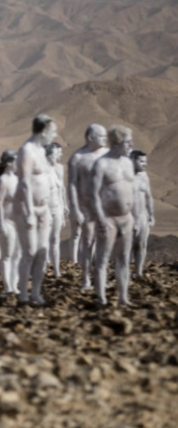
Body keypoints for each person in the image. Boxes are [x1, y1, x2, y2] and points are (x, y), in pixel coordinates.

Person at [14, 114, 58, 304]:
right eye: (53, 131)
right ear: (44, 130)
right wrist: (30, 211)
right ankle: (23, 292)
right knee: (29, 252)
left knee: (42, 252)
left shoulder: (41, 151)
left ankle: (36, 293)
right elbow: (24, 182)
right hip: (28, 209)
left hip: (44, 209)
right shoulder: (27, 151)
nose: (54, 135)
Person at [91, 126, 137, 305]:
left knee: (124, 258)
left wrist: (135, 215)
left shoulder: (127, 163)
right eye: (127, 142)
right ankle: (101, 298)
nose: (131, 145)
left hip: (126, 218)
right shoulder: (101, 164)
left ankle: (123, 297)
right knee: (103, 258)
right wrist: (101, 219)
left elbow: (131, 190)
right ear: (117, 143)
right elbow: (94, 194)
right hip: (108, 218)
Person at [69, 124, 108, 290]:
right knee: (88, 241)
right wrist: (75, 208)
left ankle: (101, 277)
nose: (105, 139)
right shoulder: (77, 158)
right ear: (91, 137)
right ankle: (85, 278)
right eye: (101, 136)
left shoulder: (108, 154)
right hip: (87, 207)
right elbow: (71, 184)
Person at [0, 150, 21, 294]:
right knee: (7, 255)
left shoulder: (17, 180)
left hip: (18, 223)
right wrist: (0, 224)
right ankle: (7, 286)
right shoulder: (2, 181)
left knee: (18, 255)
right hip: (7, 222)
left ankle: (14, 285)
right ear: (9, 163)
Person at [45, 143, 68, 278]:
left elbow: (61, 189)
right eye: (55, 154)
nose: (58, 157)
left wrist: (64, 205)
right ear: (47, 155)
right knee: (45, 239)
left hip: (57, 208)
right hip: (46, 209)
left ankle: (56, 269)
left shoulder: (58, 169)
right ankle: (46, 265)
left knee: (55, 239)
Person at [131, 150, 154, 278]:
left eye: (145, 162)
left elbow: (148, 197)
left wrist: (151, 215)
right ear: (133, 159)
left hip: (142, 216)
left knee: (141, 245)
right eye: (141, 161)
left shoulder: (144, 176)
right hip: (127, 217)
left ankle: (138, 271)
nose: (144, 164)